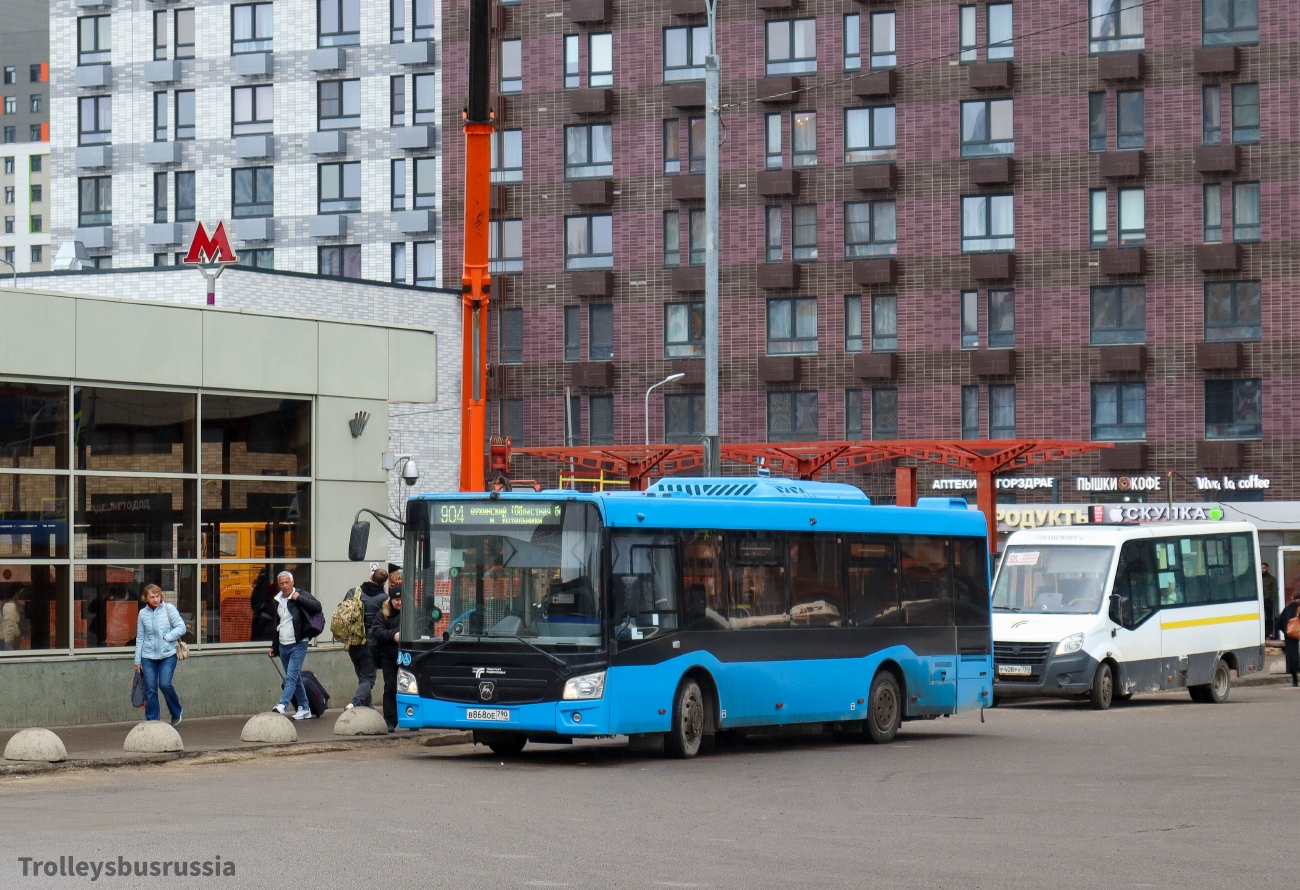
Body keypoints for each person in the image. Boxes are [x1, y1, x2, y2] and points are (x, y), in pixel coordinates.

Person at [268, 571, 322, 719]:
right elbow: (277, 625)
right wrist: (275, 646)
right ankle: (305, 707)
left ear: (293, 582)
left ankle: (282, 705)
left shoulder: (300, 595)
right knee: (295, 678)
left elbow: (317, 607)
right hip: (283, 644)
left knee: (290, 677)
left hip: (299, 643)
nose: (284, 586)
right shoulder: (277, 600)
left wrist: (299, 598)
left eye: (287, 582)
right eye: (281, 583)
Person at [132, 584, 186, 725]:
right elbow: (140, 637)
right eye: (152, 597)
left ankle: (176, 711)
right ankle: (153, 720)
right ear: (146, 598)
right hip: (148, 656)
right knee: (150, 688)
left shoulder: (169, 609)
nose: (155, 599)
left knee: (165, 684)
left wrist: (167, 637)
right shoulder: (143, 614)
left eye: (157, 596)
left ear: (161, 596)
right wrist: (137, 660)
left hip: (168, 654)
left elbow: (181, 627)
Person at [343, 566, 389, 711]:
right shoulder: (384, 598)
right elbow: (387, 619)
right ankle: (355, 703)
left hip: (352, 642)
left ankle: (367, 706)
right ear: (384, 583)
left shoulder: (354, 592)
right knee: (369, 678)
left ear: (371, 577)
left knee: (363, 677)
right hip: (371, 644)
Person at [369, 585, 403, 732]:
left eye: (401, 599)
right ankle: (389, 720)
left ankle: (409, 717)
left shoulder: (410, 612)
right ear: (391, 599)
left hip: (407, 657)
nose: (399, 602)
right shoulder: (382, 613)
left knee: (410, 689)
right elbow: (377, 631)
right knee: (390, 688)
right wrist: (393, 636)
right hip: (389, 656)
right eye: (396, 599)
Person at [1280, 594, 1300, 688]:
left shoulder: (1287, 609)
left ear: (1292, 598)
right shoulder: (1298, 609)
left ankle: (1295, 680)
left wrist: (1286, 631)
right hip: (1298, 637)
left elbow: (1278, 623)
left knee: (1292, 657)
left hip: (1289, 638)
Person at [1262, 563, 1279, 640]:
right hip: (1262, 601)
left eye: (1264, 568)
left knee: (1270, 617)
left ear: (1267, 568)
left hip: (1269, 600)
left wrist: (1272, 599)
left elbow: (1275, 590)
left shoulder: (1272, 578)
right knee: (1263, 617)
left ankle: (1271, 633)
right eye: (1262, 568)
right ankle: (1265, 632)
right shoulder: (1259, 578)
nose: (1263, 570)